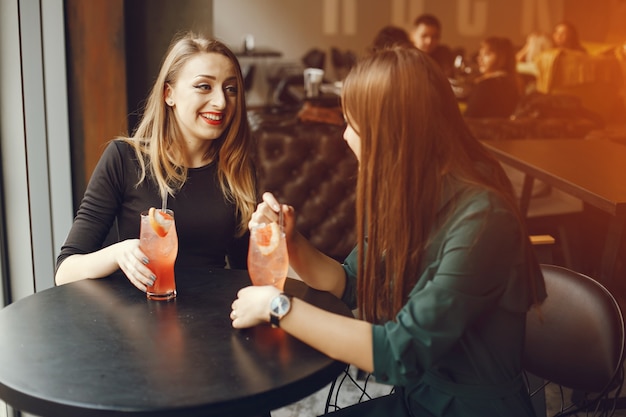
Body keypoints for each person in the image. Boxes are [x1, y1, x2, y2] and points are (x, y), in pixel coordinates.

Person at [230, 46, 546, 417]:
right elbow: (348, 282)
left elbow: (399, 352)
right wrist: (291, 240)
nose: (345, 137)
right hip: (417, 401)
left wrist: (277, 307)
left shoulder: (485, 220)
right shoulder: (414, 198)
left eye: (353, 125)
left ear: (394, 132)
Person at [55, 32, 257, 292]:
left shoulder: (238, 168)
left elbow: (245, 272)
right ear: (168, 94)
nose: (220, 101)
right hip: (136, 320)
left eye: (230, 89)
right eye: (204, 86)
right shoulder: (124, 158)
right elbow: (65, 271)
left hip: (214, 319)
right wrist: (118, 253)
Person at [464, 36, 522, 118]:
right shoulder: (514, 84)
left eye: (487, 54)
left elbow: (469, 118)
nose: (480, 59)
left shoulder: (485, 85)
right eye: (480, 54)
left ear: (502, 57)